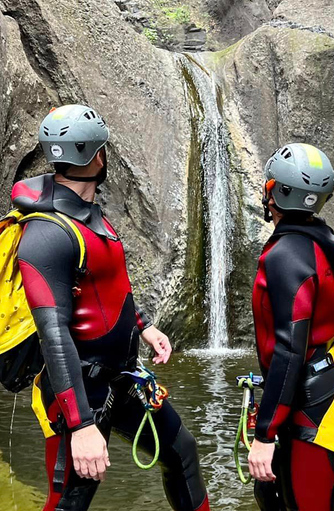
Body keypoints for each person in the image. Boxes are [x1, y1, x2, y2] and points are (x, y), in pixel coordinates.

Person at [15, 104, 210, 511]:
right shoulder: (46, 234)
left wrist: (143, 327)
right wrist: (82, 425)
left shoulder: (90, 215)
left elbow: (110, 287)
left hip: (122, 379)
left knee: (182, 452)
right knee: (68, 501)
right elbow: (54, 335)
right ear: (96, 156)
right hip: (79, 394)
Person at [248, 144, 334, 511]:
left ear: (273, 192)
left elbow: (289, 351)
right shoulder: (324, 243)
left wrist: (264, 433)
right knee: (280, 495)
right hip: (319, 387)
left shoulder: (285, 257)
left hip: (305, 400)